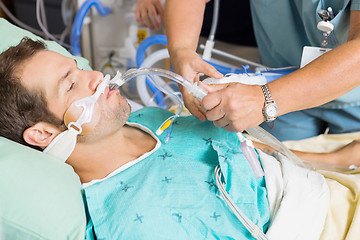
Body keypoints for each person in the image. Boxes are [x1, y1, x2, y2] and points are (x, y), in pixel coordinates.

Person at [1, 37, 360, 239]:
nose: (95, 75)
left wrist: (333, 159)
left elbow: (249, 151)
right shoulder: (131, 223)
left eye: (79, 68)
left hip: (329, 184)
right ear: (44, 134)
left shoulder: (148, 120)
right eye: (71, 84)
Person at [164, 0, 360, 141]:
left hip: (352, 95)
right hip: (277, 87)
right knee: (278, 173)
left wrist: (265, 100)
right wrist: (181, 49)